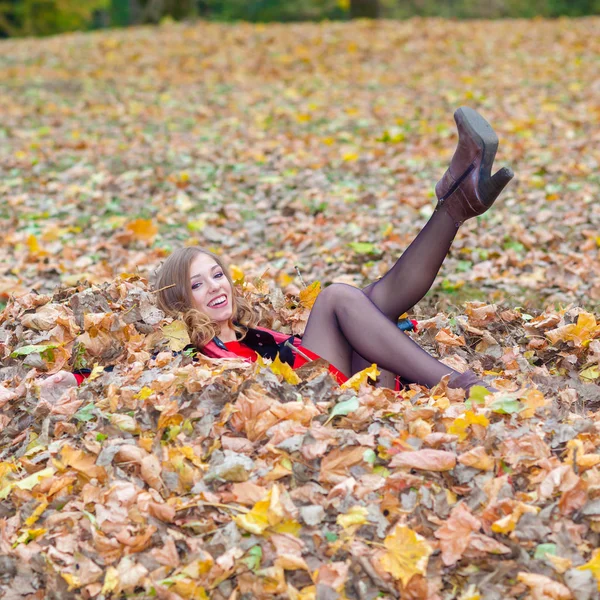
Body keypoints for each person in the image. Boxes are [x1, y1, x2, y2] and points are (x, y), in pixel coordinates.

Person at [40, 107, 513, 395]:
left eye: (216, 274)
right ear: (180, 302)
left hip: (343, 388)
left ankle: (457, 203)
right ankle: (462, 383)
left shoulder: (251, 331)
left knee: (370, 300)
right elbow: (126, 374)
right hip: (313, 410)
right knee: (336, 299)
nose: (214, 287)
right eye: (196, 285)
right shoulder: (185, 350)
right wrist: (67, 381)